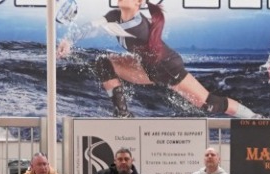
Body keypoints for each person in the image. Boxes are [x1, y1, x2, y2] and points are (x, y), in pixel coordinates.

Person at [82, 0, 255, 118]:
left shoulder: (137, 26)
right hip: (148, 68)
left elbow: (101, 29)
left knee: (209, 104)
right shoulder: (114, 15)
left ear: (138, 2)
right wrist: (72, 38)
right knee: (103, 63)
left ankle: (254, 117)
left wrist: (97, 28)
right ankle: (122, 114)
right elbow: (93, 25)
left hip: (168, 67)